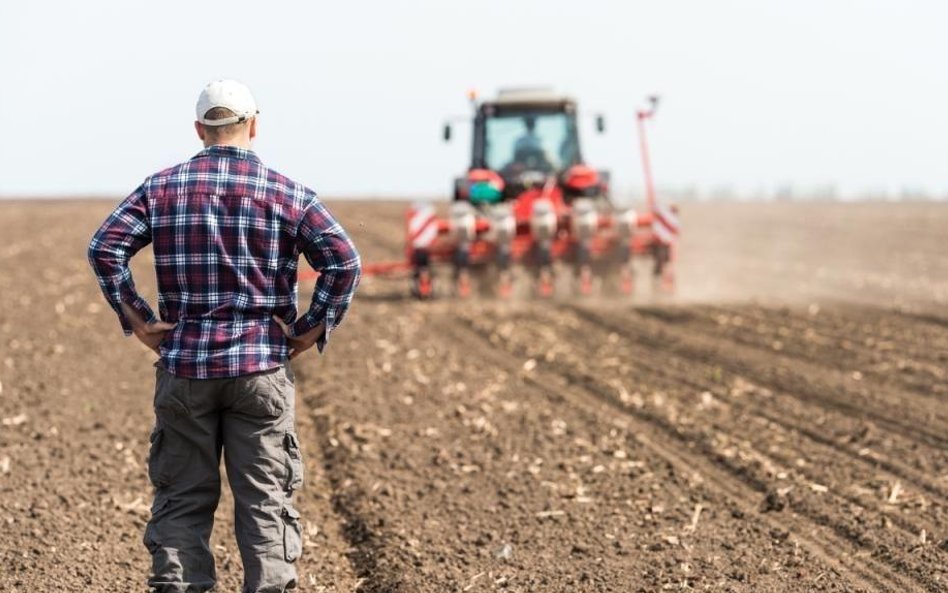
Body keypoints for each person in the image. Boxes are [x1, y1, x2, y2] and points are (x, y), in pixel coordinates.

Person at [88, 79, 361, 593]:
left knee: (182, 498)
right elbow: (344, 261)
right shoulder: (290, 193)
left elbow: (105, 247)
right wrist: (310, 329)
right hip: (260, 370)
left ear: (199, 130)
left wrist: (140, 320)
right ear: (254, 125)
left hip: (185, 368)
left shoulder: (160, 188)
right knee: (266, 500)